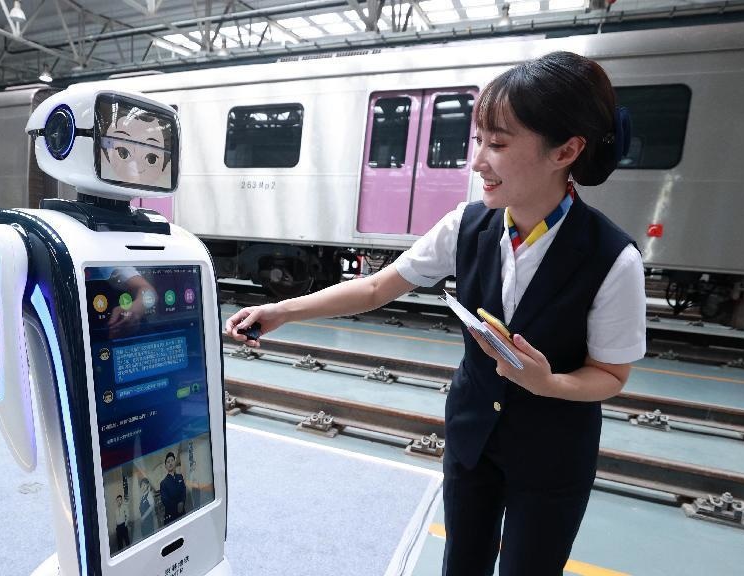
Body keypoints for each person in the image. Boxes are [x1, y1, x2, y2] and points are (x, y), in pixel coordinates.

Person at [225, 51, 646, 576]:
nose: (477, 162)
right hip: (473, 440)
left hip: (553, 458)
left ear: (566, 150)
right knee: (461, 564)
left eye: (497, 143)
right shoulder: (465, 227)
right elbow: (378, 286)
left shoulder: (613, 258)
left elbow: (610, 375)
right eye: (478, 141)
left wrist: (549, 383)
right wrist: (282, 310)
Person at [159, 451, 187, 525]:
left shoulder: (180, 476)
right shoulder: (163, 483)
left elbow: (184, 491)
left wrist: (182, 502)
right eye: (168, 462)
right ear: (165, 466)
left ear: (174, 462)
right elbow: (165, 501)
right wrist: (177, 506)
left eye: (172, 460)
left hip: (183, 512)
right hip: (171, 516)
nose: (170, 463)